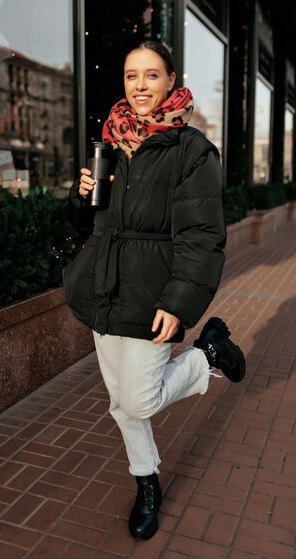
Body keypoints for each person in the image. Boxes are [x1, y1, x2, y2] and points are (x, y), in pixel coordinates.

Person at [63, 40, 245, 541]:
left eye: (150, 75)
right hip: (104, 287)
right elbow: (89, 224)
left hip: (151, 293)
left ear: (170, 80)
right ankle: (146, 483)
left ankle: (208, 350)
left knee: (139, 400)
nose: (139, 86)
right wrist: (79, 199)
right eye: (130, 76)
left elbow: (201, 237)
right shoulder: (113, 139)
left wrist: (178, 302)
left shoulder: (192, 150)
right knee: (121, 403)